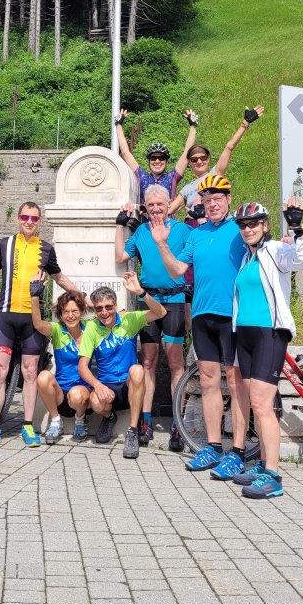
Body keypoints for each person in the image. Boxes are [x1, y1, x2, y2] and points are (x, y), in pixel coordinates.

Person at [150, 174, 248, 472]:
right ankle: (213, 446)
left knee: (235, 382)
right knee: (207, 381)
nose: (212, 204)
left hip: (233, 316)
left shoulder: (240, 230)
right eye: (207, 200)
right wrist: (162, 244)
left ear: (228, 200)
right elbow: (178, 269)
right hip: (203, 316)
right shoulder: (196, 234)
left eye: (218, 199)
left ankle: (238, 452)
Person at [226, 198, 303, 499]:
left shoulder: (275, 250)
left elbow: (301, 259)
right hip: (245, 335)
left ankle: (273, 476)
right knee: (256, 403)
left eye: (253, 224)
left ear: (264, 225)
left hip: (269, 334)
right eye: (243, 225)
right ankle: (263, 464)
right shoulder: (246, 259)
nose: (247, 229)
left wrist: (296, 226)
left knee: (262, 405)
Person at [0, 202, 85, 450]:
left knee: (30, 373)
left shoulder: (46, 249)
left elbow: (59, 277)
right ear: (18, 218)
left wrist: (84, 298)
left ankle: (27, 425)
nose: (29, 222)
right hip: (5, 317)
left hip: (32, 320)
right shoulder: (4, 244)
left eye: (34, 218)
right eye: (25, 217)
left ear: (39, 221)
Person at [114, 184, 190, 451]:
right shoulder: (141, 231)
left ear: (169, 205)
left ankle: (178, 424)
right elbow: (121, 256)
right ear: (145, 208)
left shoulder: (182, 230)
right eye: (151, 205)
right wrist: (119, 225)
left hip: (175, 300)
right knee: (147, 361)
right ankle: (145, 422)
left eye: (160, 204)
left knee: (175, 361)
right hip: (148, 300)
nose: (156, 208)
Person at [77, 272, 166, 459]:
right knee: (95, 402)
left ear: (116, 306)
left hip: (129, 387)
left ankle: (132, 431)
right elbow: (82, 366)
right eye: (99, 308)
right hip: (107, 388)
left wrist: (141, 292)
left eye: (108, 307)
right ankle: (109, 417)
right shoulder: (92, 327)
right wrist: (98, 385)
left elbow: (161, 313)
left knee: (138, 370)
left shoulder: (129, 320)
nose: (104, 312)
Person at [169, 106, 265, 218]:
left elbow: (229, 147)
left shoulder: (215, 174)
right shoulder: (187, 189)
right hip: (197, 227)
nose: (199, 161)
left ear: (208, 159)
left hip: (220, 224)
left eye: (203, 158)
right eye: (194, 160)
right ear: (189, 163)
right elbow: (169, 211)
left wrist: (245, 123)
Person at [30, 276, 91, 444]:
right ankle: (56, 421)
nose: (70, 316)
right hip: (60, 394)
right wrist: (34, 296)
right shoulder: (57, 330)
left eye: (74, 311)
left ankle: (80, 421)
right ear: (61, 314)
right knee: (43, 376)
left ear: (82, 312)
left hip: (82, 395)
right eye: (65, 312)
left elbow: (108, 317)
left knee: (77, 394)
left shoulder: (90, 328)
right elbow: (38, 324)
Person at [114, 108, 198, 203]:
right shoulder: (141, 176)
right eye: (153, 158)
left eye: (161, 158)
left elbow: (186, 153)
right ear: (149, 161)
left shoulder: (172, 177)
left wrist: (193, 125)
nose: (157, 161)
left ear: (166, 162)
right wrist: (118, 124)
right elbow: (125, 153)